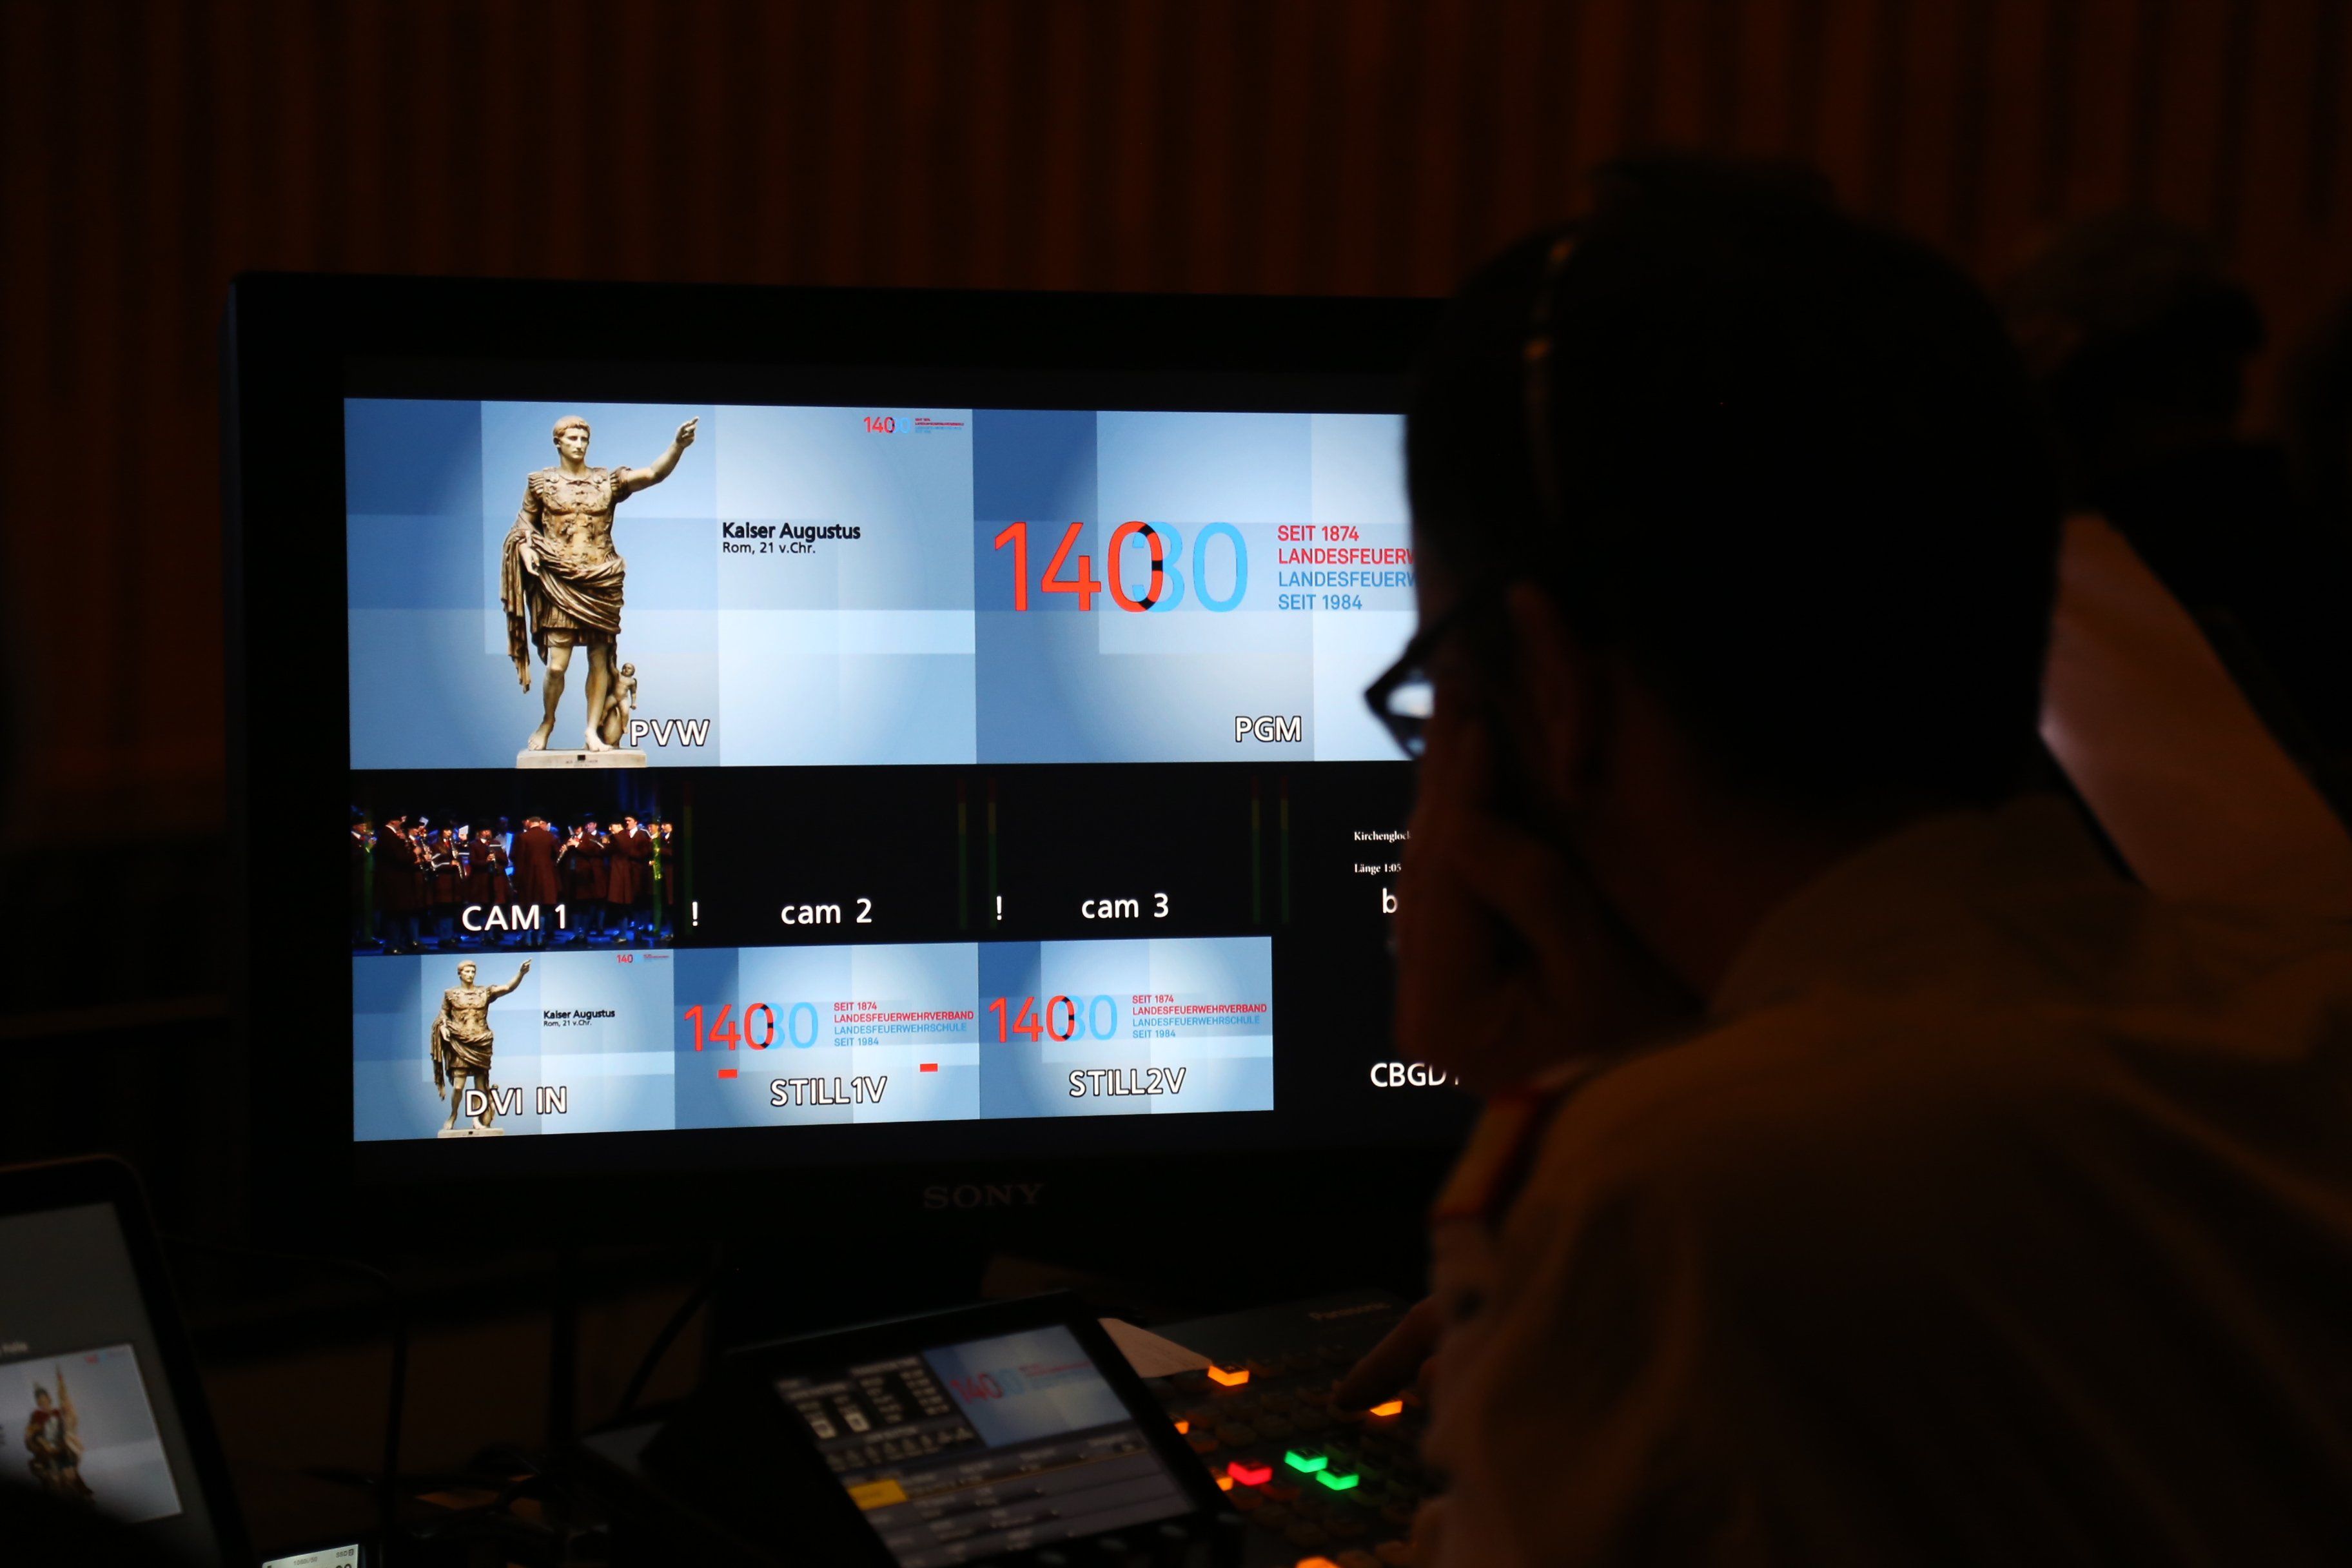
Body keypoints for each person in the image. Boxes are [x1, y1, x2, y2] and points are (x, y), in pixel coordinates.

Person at [1340, 159, 2352, 1564]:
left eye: (1440, 681)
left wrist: (1559, 1140)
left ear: (1550, 690)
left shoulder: (1677, 1197)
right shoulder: (2308, 999)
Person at [503, 415, 698, 754]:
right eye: (572, 438)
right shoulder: (540, 483)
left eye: (584, 439)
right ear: (558, 443)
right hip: (559, 579)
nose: (579, 444)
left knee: (599, 659)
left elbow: (653, 474)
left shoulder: (607, 481)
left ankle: (592, 730)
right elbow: (522, 527)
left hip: (601, 578)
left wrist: (677, 446)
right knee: (557, 665)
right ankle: (548, 720)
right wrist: (525, 549)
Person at [22, 1366, 91, 1502]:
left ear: (49, 1398)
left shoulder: (58, 1413)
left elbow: (68, 1426)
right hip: (48, 1451)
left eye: (44, 1398)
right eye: (40, 1400)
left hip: (62, 1447)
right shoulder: (37, 1416)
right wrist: (44, 1443)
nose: (43, 1402)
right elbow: (33, 1435)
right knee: (55, 1479)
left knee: (70, 1474)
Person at [371, 814, 422, 954]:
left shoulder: (392, 835)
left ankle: (397, 943)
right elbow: (399, 858)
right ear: (393, 821)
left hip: (397, 883)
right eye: (401, 820)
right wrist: (414, 853)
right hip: (393, 883)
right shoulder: (387, 835)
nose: (402, 822)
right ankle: (391, 945)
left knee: (399, 915)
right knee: (393, 915)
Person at [511, 814, 560, 947]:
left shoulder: (523, 837)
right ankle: (539, 938)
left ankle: (527, 939)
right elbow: (557, 857)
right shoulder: (551, 837)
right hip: (546, 879)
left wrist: (516, 881)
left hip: (528, 878)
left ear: (529, 823)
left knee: (528, 909)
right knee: (543, 909)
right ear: (539, 823)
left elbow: (518, 859)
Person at [609, 812, 652, 939]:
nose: (627, 823)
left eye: (629, 820)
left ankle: (638, 930)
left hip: (638, 873)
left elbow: (643, 853)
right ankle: (623, 931)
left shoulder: (642, 835)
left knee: (638, 904)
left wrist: (628, 851)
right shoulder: (623, 835)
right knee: (624, 904)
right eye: (626, 821)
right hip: (625, 874)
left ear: (636, 822)